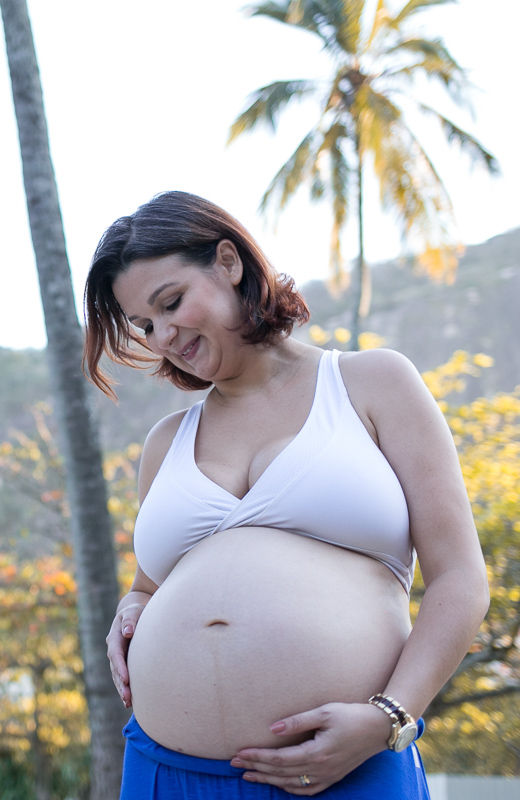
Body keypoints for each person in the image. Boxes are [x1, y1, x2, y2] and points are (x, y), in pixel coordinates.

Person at [81, 191, 489, 798]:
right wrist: (133, 607)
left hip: (344, 766)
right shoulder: (167, 441)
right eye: (144, 324)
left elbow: (460, 579)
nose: (163, 334)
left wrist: (390, 717)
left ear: (228, 262)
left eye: (171, 303)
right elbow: (150, 584)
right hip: (165, 766)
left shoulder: (372, 383)